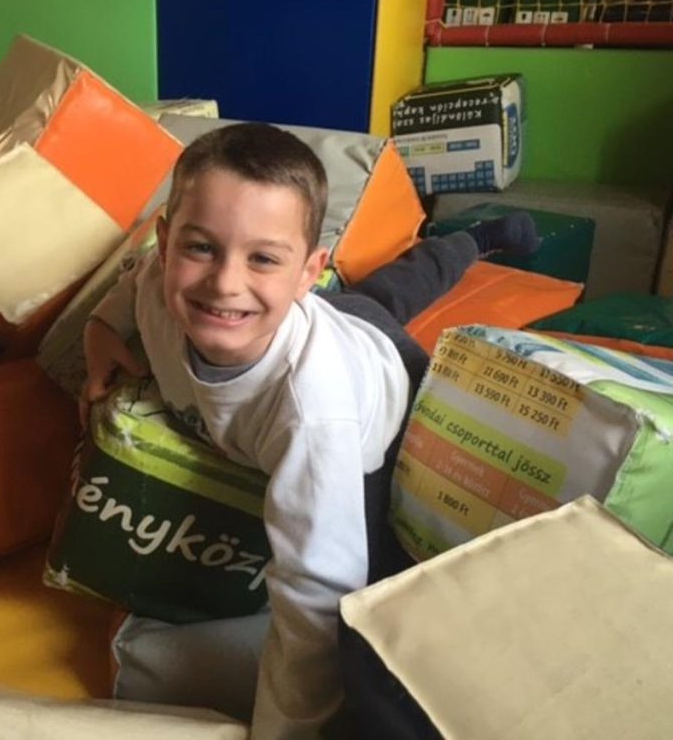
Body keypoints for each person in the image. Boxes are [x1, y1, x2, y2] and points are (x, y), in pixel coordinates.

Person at [82, 122, 538, 739]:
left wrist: (284, 731)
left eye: (263, 258)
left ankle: (475, 239)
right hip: (323, 317)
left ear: (308, 272)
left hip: (384, 385)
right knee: (383, 292)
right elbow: (136, 281)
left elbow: (315, 597)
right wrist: (99, 333)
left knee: (376, 597)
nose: (224, 283)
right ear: (166, 245)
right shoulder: (163, 296)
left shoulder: (315, 415)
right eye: (201, 248)